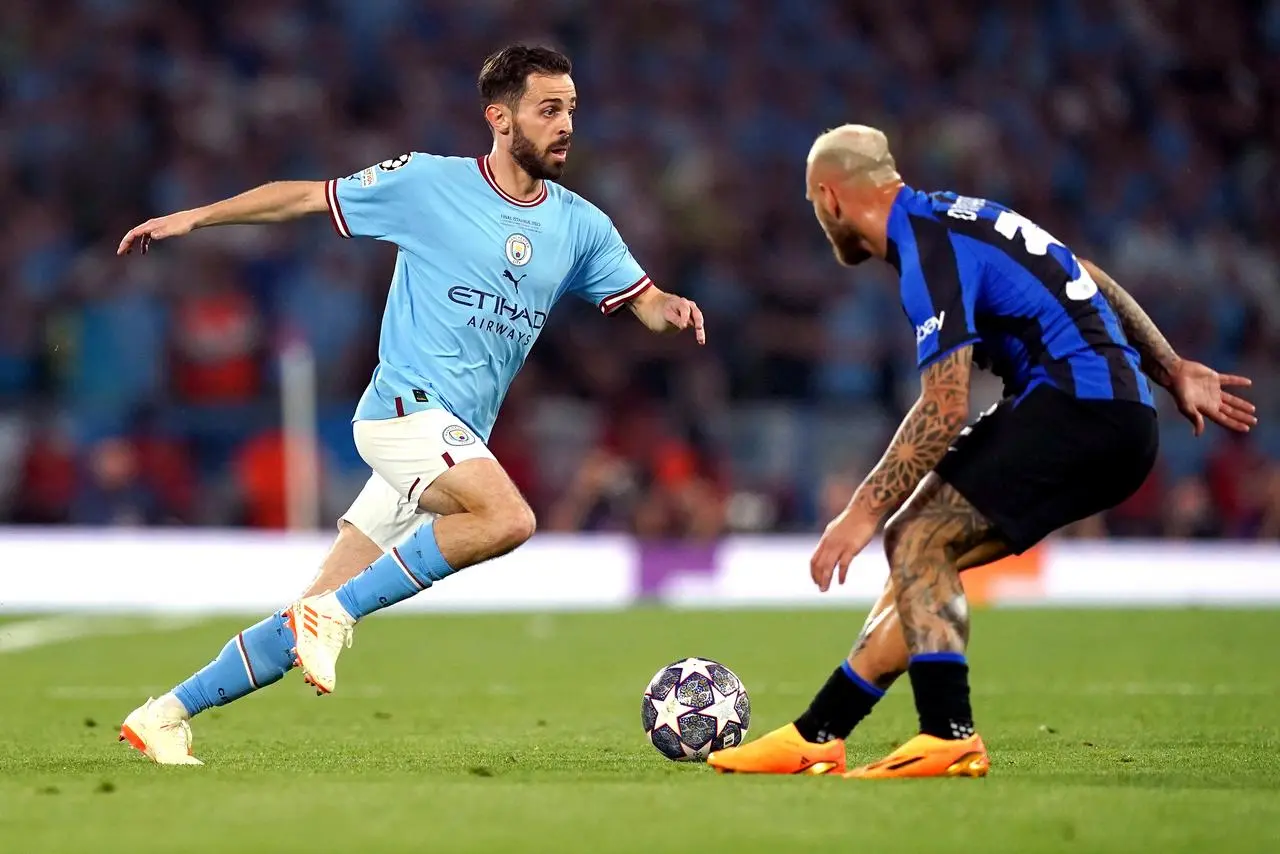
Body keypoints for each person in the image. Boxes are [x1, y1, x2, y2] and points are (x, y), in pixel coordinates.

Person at [114, 44, 705, 766]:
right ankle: (336, 615)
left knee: (306, 610)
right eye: (548, 109)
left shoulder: (580, 225)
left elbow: (641, 301)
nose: (565, 125)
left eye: (571, 110)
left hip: (452, 440)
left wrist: (669, 307)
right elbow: (305, 195)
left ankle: (166, 713)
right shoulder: (427, 184)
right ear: (500, 117)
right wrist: (197, 218)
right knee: (508, 517)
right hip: (403, 411)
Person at [707, 125, 1255, 779]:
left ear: (830, 198)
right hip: (1108, 414)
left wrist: (861, 509)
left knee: (914, 537)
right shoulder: (962, 218)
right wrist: (1169, 368)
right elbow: (1087, 275)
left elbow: (944, 406)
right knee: (919, 559)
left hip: (1080, 410)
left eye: (813, 206)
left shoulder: (927, 247)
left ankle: (949, 733)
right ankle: (818, 733)